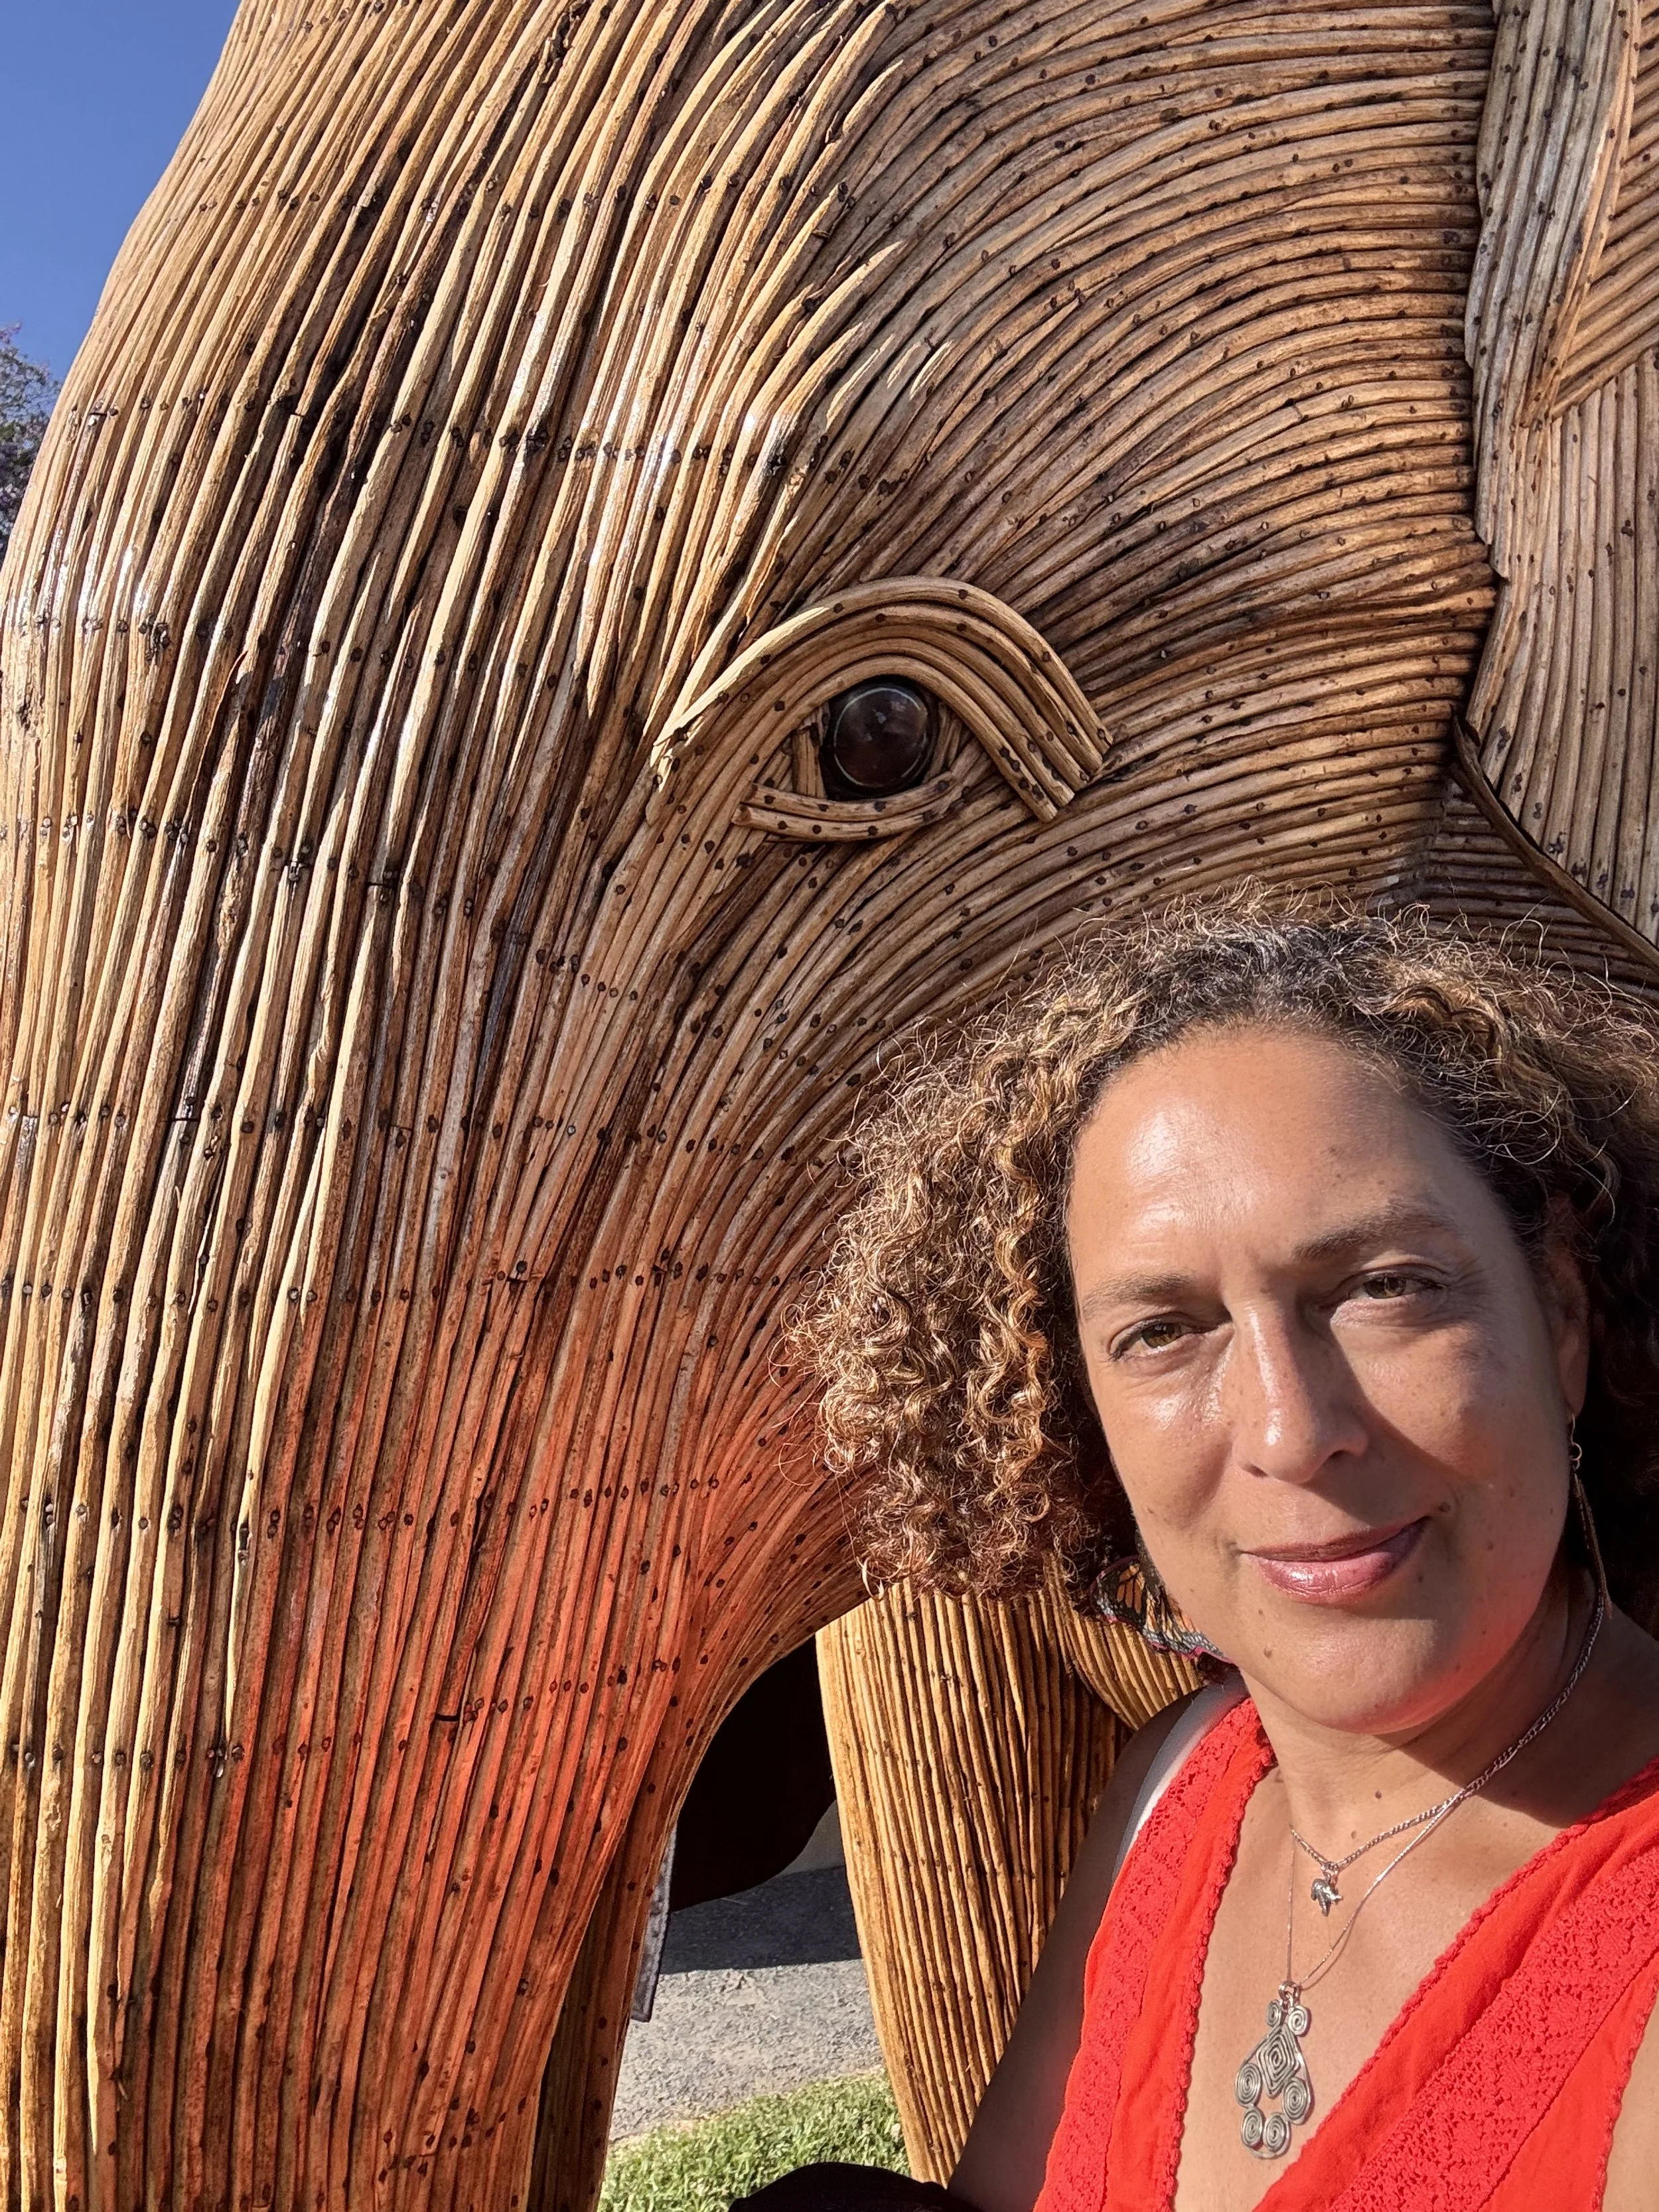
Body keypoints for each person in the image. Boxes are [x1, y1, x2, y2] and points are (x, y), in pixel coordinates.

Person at [788, 897, 1659, 2212]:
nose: (1289, 1431)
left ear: (1562, 1315)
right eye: (1163, 1330)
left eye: (1381, 1285)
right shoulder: (1178, 1786)